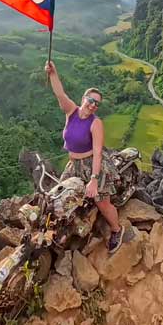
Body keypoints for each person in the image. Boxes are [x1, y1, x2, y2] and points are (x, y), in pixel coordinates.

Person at [45, 60, 123, 253]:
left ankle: (116, 229)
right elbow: (60, 94)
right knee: (56, 196)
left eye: (97, 103)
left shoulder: (96, 123)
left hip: (93, 164)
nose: (93, 105)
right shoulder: (71, 112)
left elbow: (97, 152)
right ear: (83, 98)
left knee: (101, 201)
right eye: (91, 100)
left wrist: (94, 180)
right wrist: (53, 74)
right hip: (74, 164)